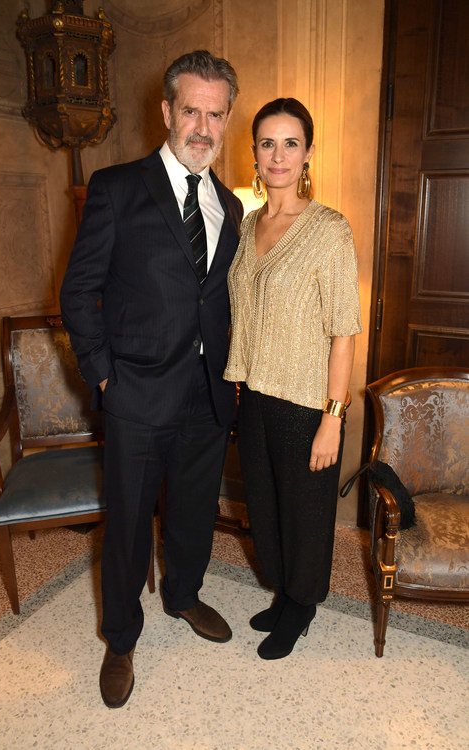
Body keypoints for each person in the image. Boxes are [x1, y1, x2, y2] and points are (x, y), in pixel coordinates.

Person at [60, 50, 242, 708]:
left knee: (194, 509)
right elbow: (78, 292)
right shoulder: (116, 187)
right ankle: (120, 637)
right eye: (190, 109)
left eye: (215, 113)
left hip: (207, 391)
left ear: (228, 120)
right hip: (135, 389)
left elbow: (214, 300)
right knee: (132, 520)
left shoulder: (229, 205)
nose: (202, 125)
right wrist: (103, 377)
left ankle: (185, 595)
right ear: (166, 112)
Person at [223, 98, 362, 660]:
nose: (277, 155)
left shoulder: (329, 229)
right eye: (266, 143)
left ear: (307, 153)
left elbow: (345, 333)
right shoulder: (247, 224)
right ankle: (283, 592)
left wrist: (333, 419)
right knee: (265, 506)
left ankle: (302, 604)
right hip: (252, 397)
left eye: (290, 143)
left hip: (307, 404)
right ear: (253, 152)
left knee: (306, 513)